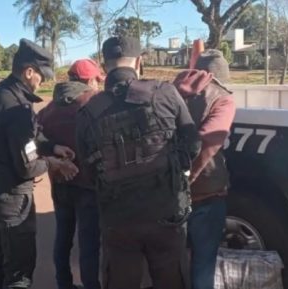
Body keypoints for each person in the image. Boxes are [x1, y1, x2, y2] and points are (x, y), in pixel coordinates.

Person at [76, 36, 201, 289]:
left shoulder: (88, 112)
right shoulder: (165, 92)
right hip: (167, 212)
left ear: (104, 65)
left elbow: (88, 172)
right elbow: (194, 146)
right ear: (140, 62)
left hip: (117, 219)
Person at [0, 38, 79, 289]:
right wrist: (54, 163)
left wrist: (52, 146)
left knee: (2, 257)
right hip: (13, 198)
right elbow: (28, 166)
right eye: (41, 76)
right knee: (19, 271)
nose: (41, 82)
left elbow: (32, 135)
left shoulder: (2, 93)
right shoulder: (17, 107)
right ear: (29, 71)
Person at [37, 59, 104, 289]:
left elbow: (36, 139)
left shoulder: (48, 109)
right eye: (97, 80)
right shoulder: (94, 104)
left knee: (63, 238)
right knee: (89, 244)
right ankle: (90, 285)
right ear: (90, 80)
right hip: (89, 186)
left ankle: (63, 283)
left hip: (60, 184)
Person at [173, 49, 236, 289]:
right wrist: (187, 179)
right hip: (206, 193)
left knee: (173, 261)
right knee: (203, 262)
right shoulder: (222, 98)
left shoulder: (170, 91)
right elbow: (209, 142)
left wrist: (174, 181)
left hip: (167, 192)